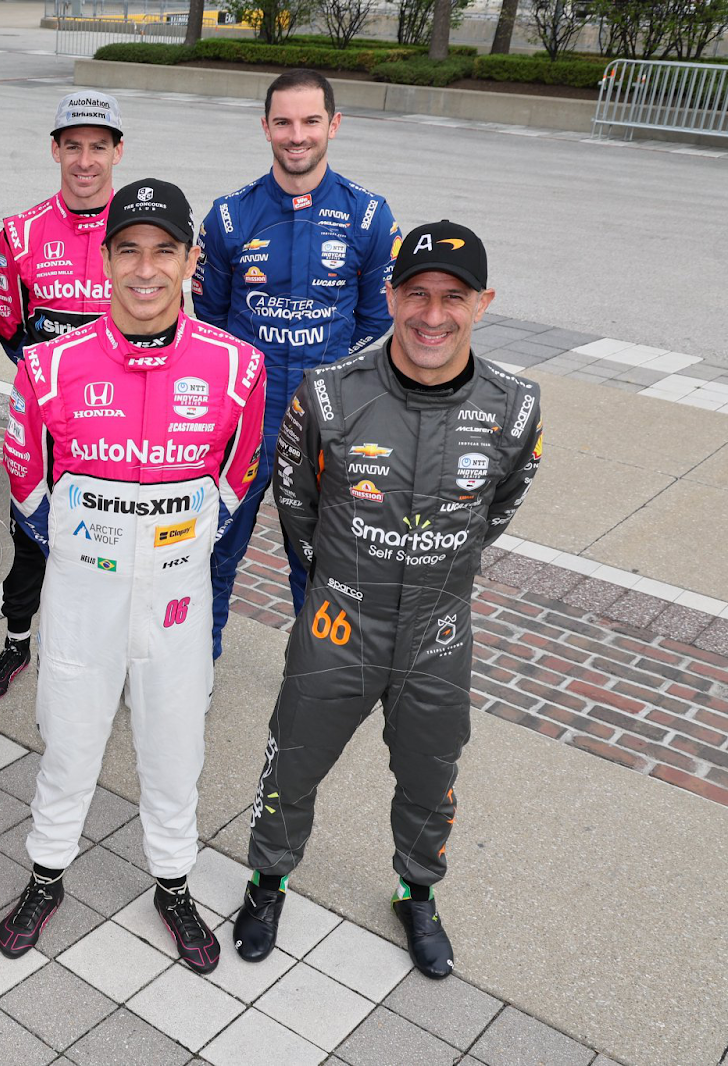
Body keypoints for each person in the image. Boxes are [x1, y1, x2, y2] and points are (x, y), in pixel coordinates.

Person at [233, 221, 542, 980]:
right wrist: (344, 579)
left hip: (438, 631)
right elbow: (297, 508)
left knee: (431, 777)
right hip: (339, 623)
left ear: (483, 303)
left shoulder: (517, 407)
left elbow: (496, 510)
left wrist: (431, 569)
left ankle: (418, 893)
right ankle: (267, 882)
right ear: (391, 295)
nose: (432, 316)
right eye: (416, 295)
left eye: (453, 298)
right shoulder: (328, 395)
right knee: (291, 767)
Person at [0, 180, 266, 975]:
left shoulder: (237, 367)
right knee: (69, 740)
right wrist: (94, 548)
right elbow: (25, 481)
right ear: (107, 259)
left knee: (175, 746)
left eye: (163, 253)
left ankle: (173, 885)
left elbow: (235, 477)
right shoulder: (48, 366)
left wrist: (167, 547)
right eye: (128, 251)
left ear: (188, 261)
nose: (145, 271)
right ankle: (47, 874)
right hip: (84, 590)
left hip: (179, 591)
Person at [194, 68, 401, 658]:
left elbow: (375, 318)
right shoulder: (229, 216)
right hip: (243, 422)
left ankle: (314, 678)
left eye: (310, 121)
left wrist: (326, 375)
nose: (297, 134)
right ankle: (196, 663)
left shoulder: (369, 216)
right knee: (214, 550)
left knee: (320, 561)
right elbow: (208, 320)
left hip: (324, 425)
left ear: (334, 125)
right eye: (283, 122)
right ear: (265, 128)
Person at [0, 90, 124, 704]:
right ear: (55, 151)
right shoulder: (20, 233)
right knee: (29, 537)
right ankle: (16, 641)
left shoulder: (143, 230)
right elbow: (11, 330)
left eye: (98, 147)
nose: (85, 161)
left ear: (118, 151)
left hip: (123, 428)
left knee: (114, 547)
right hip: (43, 423)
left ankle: (111, 658)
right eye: (73, 147)